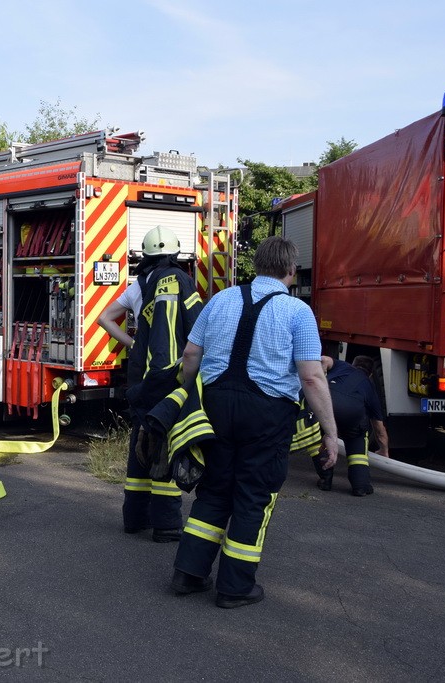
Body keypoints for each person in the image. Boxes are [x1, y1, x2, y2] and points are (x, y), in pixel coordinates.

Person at [169, 236, 338, 608]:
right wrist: (329, 432)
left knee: (214, 489)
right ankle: (235, 587)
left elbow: (191, 354)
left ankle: (188, 573)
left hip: (216, 407)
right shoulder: (297, 312)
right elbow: (311, 376)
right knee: (253, 496)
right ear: (292, 270)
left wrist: (186, 398)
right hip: (266, 414)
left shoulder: (220, 299)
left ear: (257, 265)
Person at [97, 225, 203, 543]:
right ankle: (167, 525)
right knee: (165, 447)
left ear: (146, 255)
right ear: (174, 254)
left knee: (140, 446)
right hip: (169, 377)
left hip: (142, 379)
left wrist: (132, 343)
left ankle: (135, 519)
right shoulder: (182, 281)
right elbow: (196, 329)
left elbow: (104, 318)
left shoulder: (138, 285)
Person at [315, 355, 389, 495]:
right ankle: (360, 486)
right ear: (371, 373)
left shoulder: (341, 366)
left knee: (323, 438)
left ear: (352, 364)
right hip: (352, 415)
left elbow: (324, 360)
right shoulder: (369, 386)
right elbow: (379, 429)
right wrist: (383, 450)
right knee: (357, 442)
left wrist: (322, 376)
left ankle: (325, 480)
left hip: (326, 405)